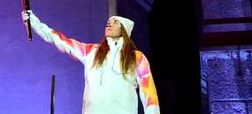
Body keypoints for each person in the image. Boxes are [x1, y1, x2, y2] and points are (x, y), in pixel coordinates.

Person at [22, 10, 160, 114]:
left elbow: (150, 95)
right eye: (108, 22)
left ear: (123, 30)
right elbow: (60, 40)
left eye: (115, 22)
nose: (109, 23)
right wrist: (34, 23)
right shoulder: (91, 51)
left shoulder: (137, 57)